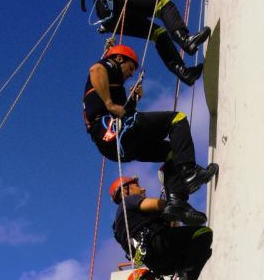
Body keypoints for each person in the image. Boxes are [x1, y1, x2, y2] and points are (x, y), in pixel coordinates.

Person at [83, 43, 218, 224]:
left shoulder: (116, 87)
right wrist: (109, 103)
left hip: (114, 145)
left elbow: (125, 113)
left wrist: (134, 99)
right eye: (130, 68)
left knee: (172, 153)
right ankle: (188, 171)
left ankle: (176, 200)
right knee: (177, 119)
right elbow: (96, 69)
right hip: (113, 131)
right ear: (120, 59)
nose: (130, 74)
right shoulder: (111, 66)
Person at [111, 175, 213, 280]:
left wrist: (169, 218)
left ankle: (182, 278)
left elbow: (171, 226)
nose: (143, 189)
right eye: (137, 186)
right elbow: (158, 204)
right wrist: (176, 205)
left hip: (156, 264)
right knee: (203, 234)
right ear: (125, 191)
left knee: (192, 252)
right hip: (157, 243)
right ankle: (187, 276)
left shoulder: (121, 224)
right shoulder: (128, 201)